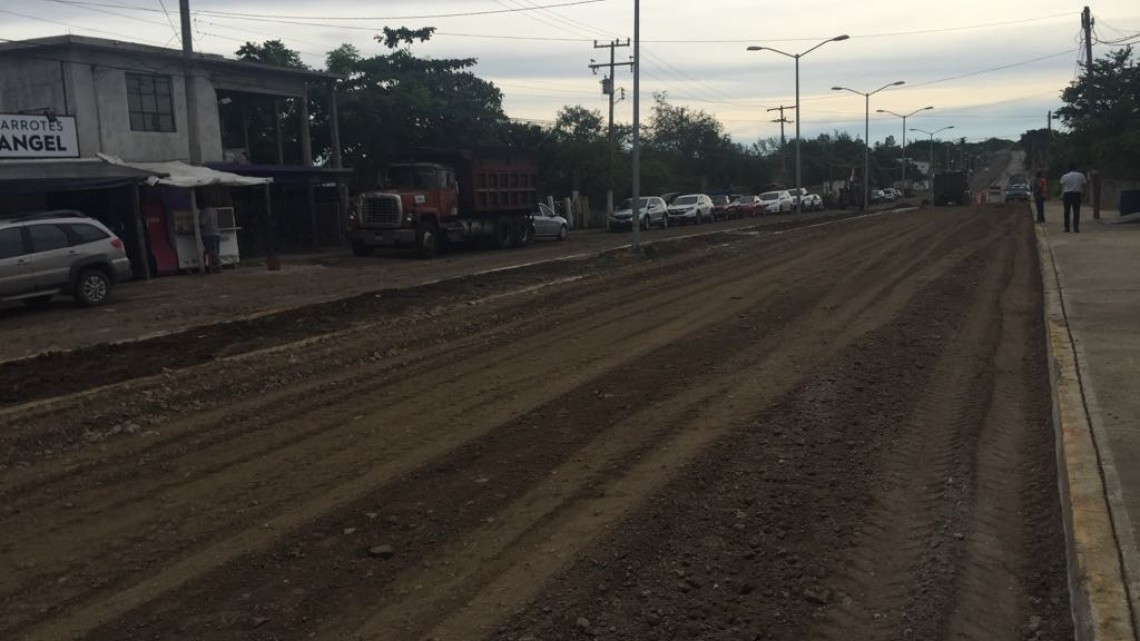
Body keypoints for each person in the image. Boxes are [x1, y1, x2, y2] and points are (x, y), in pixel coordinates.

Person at [1060, 163, 1087, 233]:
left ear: (1068, 169)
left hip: (1067, 194)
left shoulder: (1064, 176)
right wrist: (1083, 193)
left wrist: (1062, 195)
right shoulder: (1081, 175)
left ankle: (1067, 228)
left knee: (1067, 212)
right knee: (1076, 211)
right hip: (1077, 194)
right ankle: (1076, 228)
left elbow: (1062, 187)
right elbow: (1084, 185)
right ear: (1076, 168)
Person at [198, 192, 222, 273]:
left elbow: (202, 223)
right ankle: (218, 267)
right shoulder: (214, 211)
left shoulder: (204, 211)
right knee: (216, 252)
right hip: (217, 233)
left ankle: (212, 269)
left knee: (211, 252)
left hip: (208, 234)